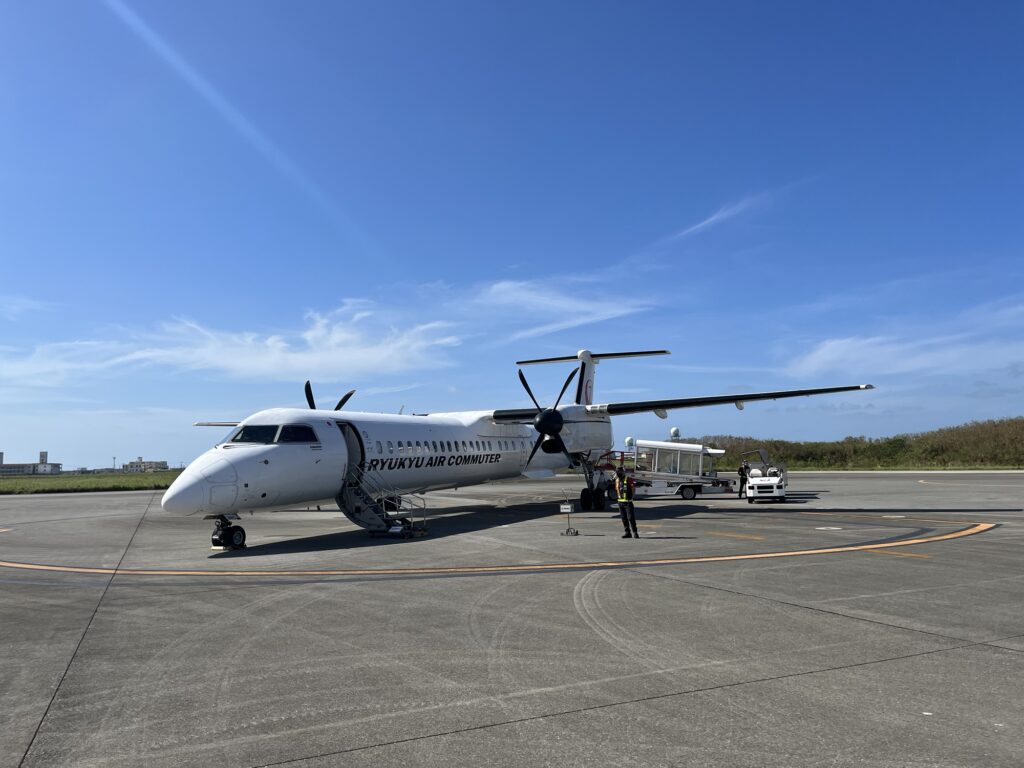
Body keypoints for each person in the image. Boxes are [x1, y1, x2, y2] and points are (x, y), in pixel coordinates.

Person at [615, 466, 638, 538]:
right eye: (617, 472)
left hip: (628, 502)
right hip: (620, 502)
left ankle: (635, 532)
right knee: (623, 518)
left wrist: (632, 497)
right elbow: (617, 489)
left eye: (620, 472)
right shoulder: (617, 480)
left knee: (631, 518)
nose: (618, 473)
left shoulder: (628, 479)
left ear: (623, 472)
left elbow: (633, 488)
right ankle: (627, 532)